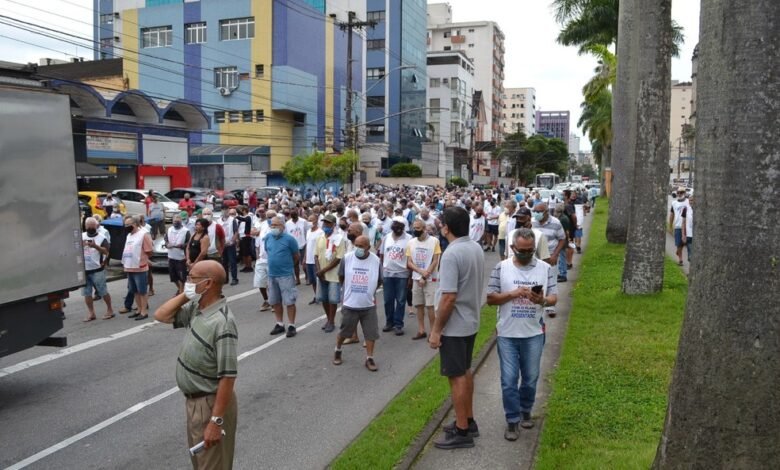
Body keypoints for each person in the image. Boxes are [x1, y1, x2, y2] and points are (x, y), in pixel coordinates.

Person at [153, 260, 238, 470]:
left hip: (209, 403)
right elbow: (161, 315)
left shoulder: (222, 322)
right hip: (194, 403)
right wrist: (187, 293)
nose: (187, 281)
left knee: (212, 465)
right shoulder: (196, 307)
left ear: (208, 284)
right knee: (200, 464)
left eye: (192, 278)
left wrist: (216, 421)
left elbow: (227, 377)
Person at [487, 228, 558, 440]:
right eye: (522, 251)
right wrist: (513, 294)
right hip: (507, 333)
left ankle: (526, 409)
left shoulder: (545, 269)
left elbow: (554, 297)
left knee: (530, 377)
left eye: (530, 250)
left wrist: (542, 300)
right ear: (512, 248)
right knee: (508, 379)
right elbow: (491, 298)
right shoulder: (501, 268)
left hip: (533, 332)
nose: (526, 254)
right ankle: (512, 420)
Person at [429, 207, 485, 449]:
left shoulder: (452, 254)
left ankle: (462, 431)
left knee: (457, 376)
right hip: (470, 320)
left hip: (455, 325)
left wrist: (436, 329)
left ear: (446, 228)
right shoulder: (474, 247)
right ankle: (467, 420)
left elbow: (449, 297)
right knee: (465, 371)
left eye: (441, 224)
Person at [333, 235, 382, 371]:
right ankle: (338, 349)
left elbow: (379, 280)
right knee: (344, 331)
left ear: (368, 247)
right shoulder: (347, 258)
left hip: (368, 305)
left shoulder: (376, 260)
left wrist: (370, 291)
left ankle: (369, 358)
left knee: (371, 333)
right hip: (350, 303)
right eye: (357, 245)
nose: (358, 248)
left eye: (362, 246)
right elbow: (341, 276)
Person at [406, 219, 441, 341]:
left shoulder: (434, 241)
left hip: (431, 279)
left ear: (424, 228)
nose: (415, 230)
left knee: (430, 306)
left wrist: (425, 276)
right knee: (419, 304)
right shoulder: (411, 242)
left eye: (418, 228)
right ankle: (421, 330)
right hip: (417, 278)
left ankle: (433, 332)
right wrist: (421, 273)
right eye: (414, 228)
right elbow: (409, 262)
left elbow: (435, 260)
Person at [264, 217, 300, 338]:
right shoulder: (268, 237)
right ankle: (279, 323)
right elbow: (268, 252)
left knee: (289, 300)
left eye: (276, 225)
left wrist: (288, 266)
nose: (273, 227)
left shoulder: (289, 239)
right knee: (275, 301)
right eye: (272, 225)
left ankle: (291, 325)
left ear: (283, 227)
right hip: (272, 274)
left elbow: (296, 256)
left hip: (285, 275)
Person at [379, 216, 412, 336]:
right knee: (388, 299)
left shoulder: (409, 239)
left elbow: (410, 258)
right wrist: (382, 269)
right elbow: (382, 255)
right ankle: (389, 322)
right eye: (395, 224)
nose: (397, 227)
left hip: (402, 274)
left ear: (404, 227)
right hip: (388, 273)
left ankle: (398, 324)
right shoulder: (386, 237)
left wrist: (410, 276)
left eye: (400, 225)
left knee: (401, 300)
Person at [531, 203, 566, 317]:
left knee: (551, 280)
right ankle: (536, 302)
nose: (536, 214)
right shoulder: (532, 222)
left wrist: (555, 255)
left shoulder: (555, 223)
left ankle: (550, 306)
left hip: (550, 256)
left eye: (539, 212)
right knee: (536, 280)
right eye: (534, 211)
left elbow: (562, 239)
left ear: (546, 212)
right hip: (535, 256)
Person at [315, 214, 345, 332]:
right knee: (324, 298)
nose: (325, 225)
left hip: (333, 274)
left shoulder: (339, 239)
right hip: (321, 274)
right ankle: (328, 319)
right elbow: (316, 255)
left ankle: (332, 321)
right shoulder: (320, 238)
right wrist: (319, 271)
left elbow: (338, 258)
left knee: (332, 299)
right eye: (324, 223)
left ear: (333, 225)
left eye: (328, 223)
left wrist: (323, 270)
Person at [81, 217, 114, 321]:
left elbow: (106, 252)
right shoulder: (81, 236)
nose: (90, 228)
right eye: (88, 226)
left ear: (96, 226)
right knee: (87, 293)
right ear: (85, 226)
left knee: (103, 291)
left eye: (92, 226)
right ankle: (91, 313)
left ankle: (110, 310)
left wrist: (95, 246)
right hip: (85, 270)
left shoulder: (101, 237)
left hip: (97, 269)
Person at [122, 215, 153, 321]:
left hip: (140, 267)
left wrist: (143, 260)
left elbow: (149, 250)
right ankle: (139, 309)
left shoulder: (143, 234)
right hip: (129, 266)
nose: (126, 226)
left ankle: (144, 311)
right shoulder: (128, 235)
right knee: (134, 290)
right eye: (125, 225)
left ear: (135, 224)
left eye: (128, 225)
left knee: (142, 290)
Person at [252, 210, 273, 312]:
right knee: (260, 282)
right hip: (261, 258)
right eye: (268, 217)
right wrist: (257, 256)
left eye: (271, 217)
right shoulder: (263, 226)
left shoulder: (277, 228)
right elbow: (259, 241)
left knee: (271, 282)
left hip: (272, 259)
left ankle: (274, 301)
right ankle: (266, 300)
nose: (269, 219)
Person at [166, 214, 191, 295]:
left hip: (181, 257)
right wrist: (167, 244)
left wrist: (182, 246)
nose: (176, 222)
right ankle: (180, 290)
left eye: (178, 221)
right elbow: (165, 239)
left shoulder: (186, 231)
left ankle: (181, 292)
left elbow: (188, 243)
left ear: (181, 221)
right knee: (173, 277)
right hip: (171, 256)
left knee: (182, 277)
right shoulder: (169, 229)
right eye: (175, 221)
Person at [285, 209, 308, 285]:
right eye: (292, 216)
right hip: (293, 247)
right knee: (295, 264)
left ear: (298, 214)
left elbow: (307, 232)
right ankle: (297, 279)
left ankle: (307, 276)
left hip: (303, 244)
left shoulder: (303, 222)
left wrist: (307, 243)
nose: (294, 217)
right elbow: (287, 235)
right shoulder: (287, 224)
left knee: (304, 264)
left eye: (295, 215)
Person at [669, 187, 690, 266]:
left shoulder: (688, 201)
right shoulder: (674, 203)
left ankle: (678, 251)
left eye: (681, 192)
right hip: (678, 225)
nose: (680, 194)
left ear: (684, 193)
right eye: (678, 192)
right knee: (679, 243)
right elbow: (671, 215)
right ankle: (680, 260)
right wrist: (670, 226)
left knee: (685, 242)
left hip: (687, 226)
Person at [304, 215, 322, 304]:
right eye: (309, 220)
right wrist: (305, 258)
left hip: (316, 259)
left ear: (316, 220)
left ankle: (322, 296)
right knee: (312, 281)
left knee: (319, 280)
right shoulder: (308, 232)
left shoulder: (320, 232)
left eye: (312, 220)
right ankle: (316, 296)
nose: (310, 222)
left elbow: (321, 246)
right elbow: (307, 245)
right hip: (309, 260)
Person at [220, 209, 240, 286]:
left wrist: (232, 241)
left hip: (230, 244)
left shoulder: (232, 220)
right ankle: (225, 278)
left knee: (232, 262)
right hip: (223, 244)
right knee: (224, 262)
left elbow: (236, 232)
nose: (225, 212)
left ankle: (234, 278)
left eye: (226, 211)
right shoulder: (219, 221)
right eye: (223, 211)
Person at [681, 196, 694, 263]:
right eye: (690, 200)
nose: (691, 202)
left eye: (692, 200)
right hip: (688, 235)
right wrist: (683, 235)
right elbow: (683, 223)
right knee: (690, 255)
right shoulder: (686, 209)